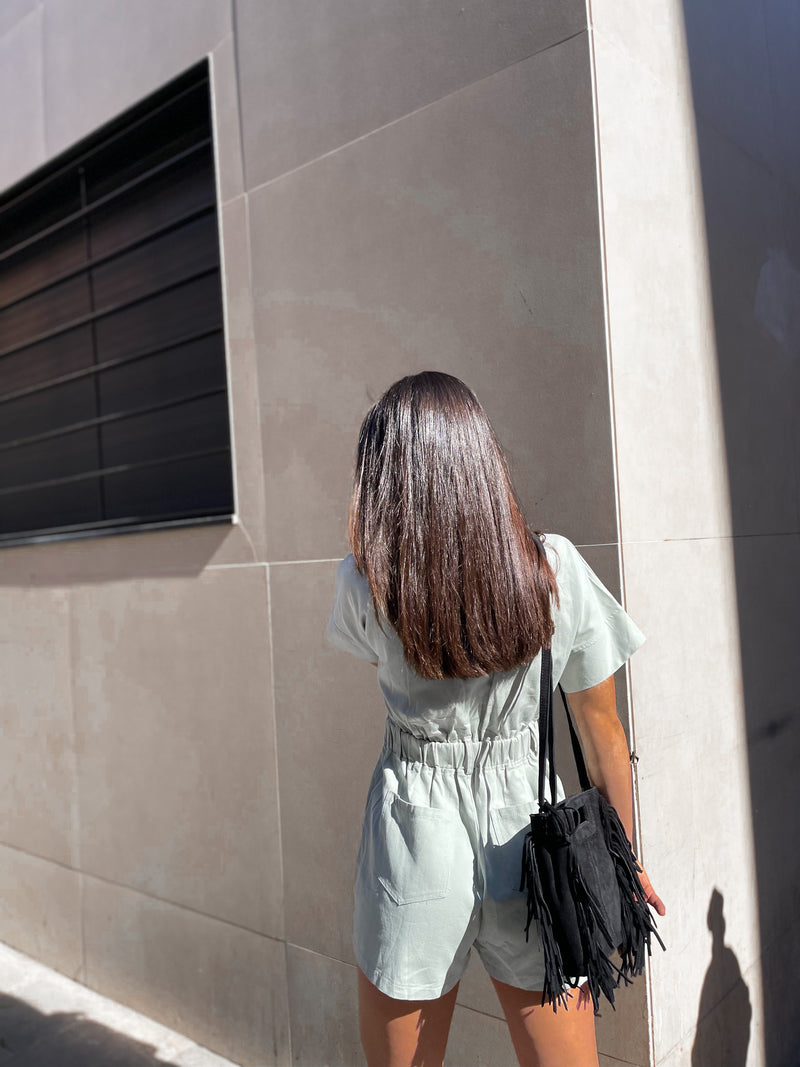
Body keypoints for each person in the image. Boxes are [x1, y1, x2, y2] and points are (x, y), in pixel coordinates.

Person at [327, 371, 665, 1067]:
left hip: (413, 837)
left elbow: (386, 667)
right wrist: (622, 865)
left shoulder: (364, 586)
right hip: (533, 840)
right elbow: (603, 732)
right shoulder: (557, 572)